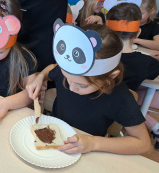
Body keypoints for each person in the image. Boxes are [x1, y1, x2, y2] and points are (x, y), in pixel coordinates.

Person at [26, 23, 150, 154]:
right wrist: (40, 77)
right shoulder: (71, 74)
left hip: (88, 151)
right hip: (58, 139)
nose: (71, 87)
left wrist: (94, 143)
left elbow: (143, 143)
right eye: (67, 78)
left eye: (82, 86)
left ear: (110, 77)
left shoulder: (121, 99)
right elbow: (52, 69)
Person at [106, 2, 159, 151]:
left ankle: (155, 127)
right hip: (123, 109)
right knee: (144, 92)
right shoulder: (147, 63)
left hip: (104, 105)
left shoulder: (100, 58)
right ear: (138, 33)